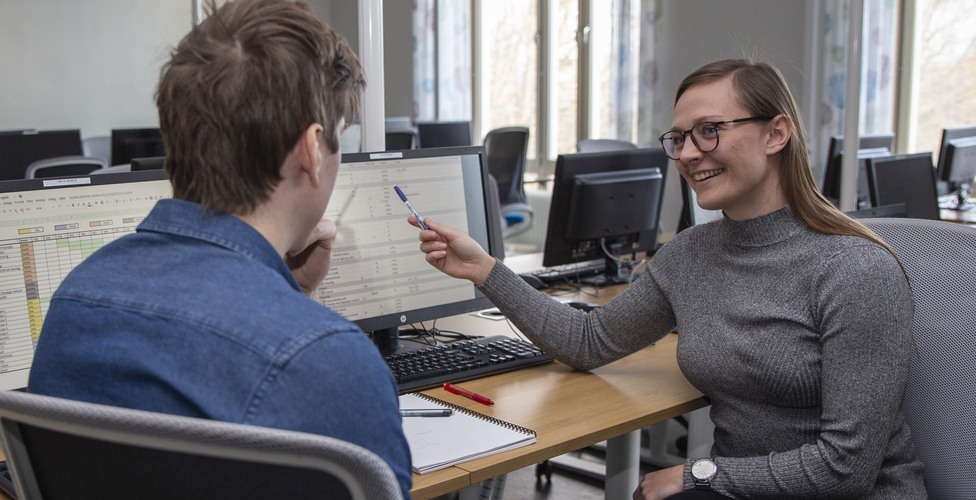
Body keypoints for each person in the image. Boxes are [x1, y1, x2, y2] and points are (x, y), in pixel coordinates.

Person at [410, 59, 926, 499]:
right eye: (679, 138)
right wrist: (486, 270)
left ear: (776, 133)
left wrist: (700, 474)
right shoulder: (690, 255)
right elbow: (590, 341)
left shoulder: (856, 270)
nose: (687, 154)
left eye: (709, 130)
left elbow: (847, 469)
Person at [28, 0, 412, 497]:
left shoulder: (74, 302)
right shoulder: (331, 362)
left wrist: (292, 297)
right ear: (313, 150)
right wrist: (300, 319)